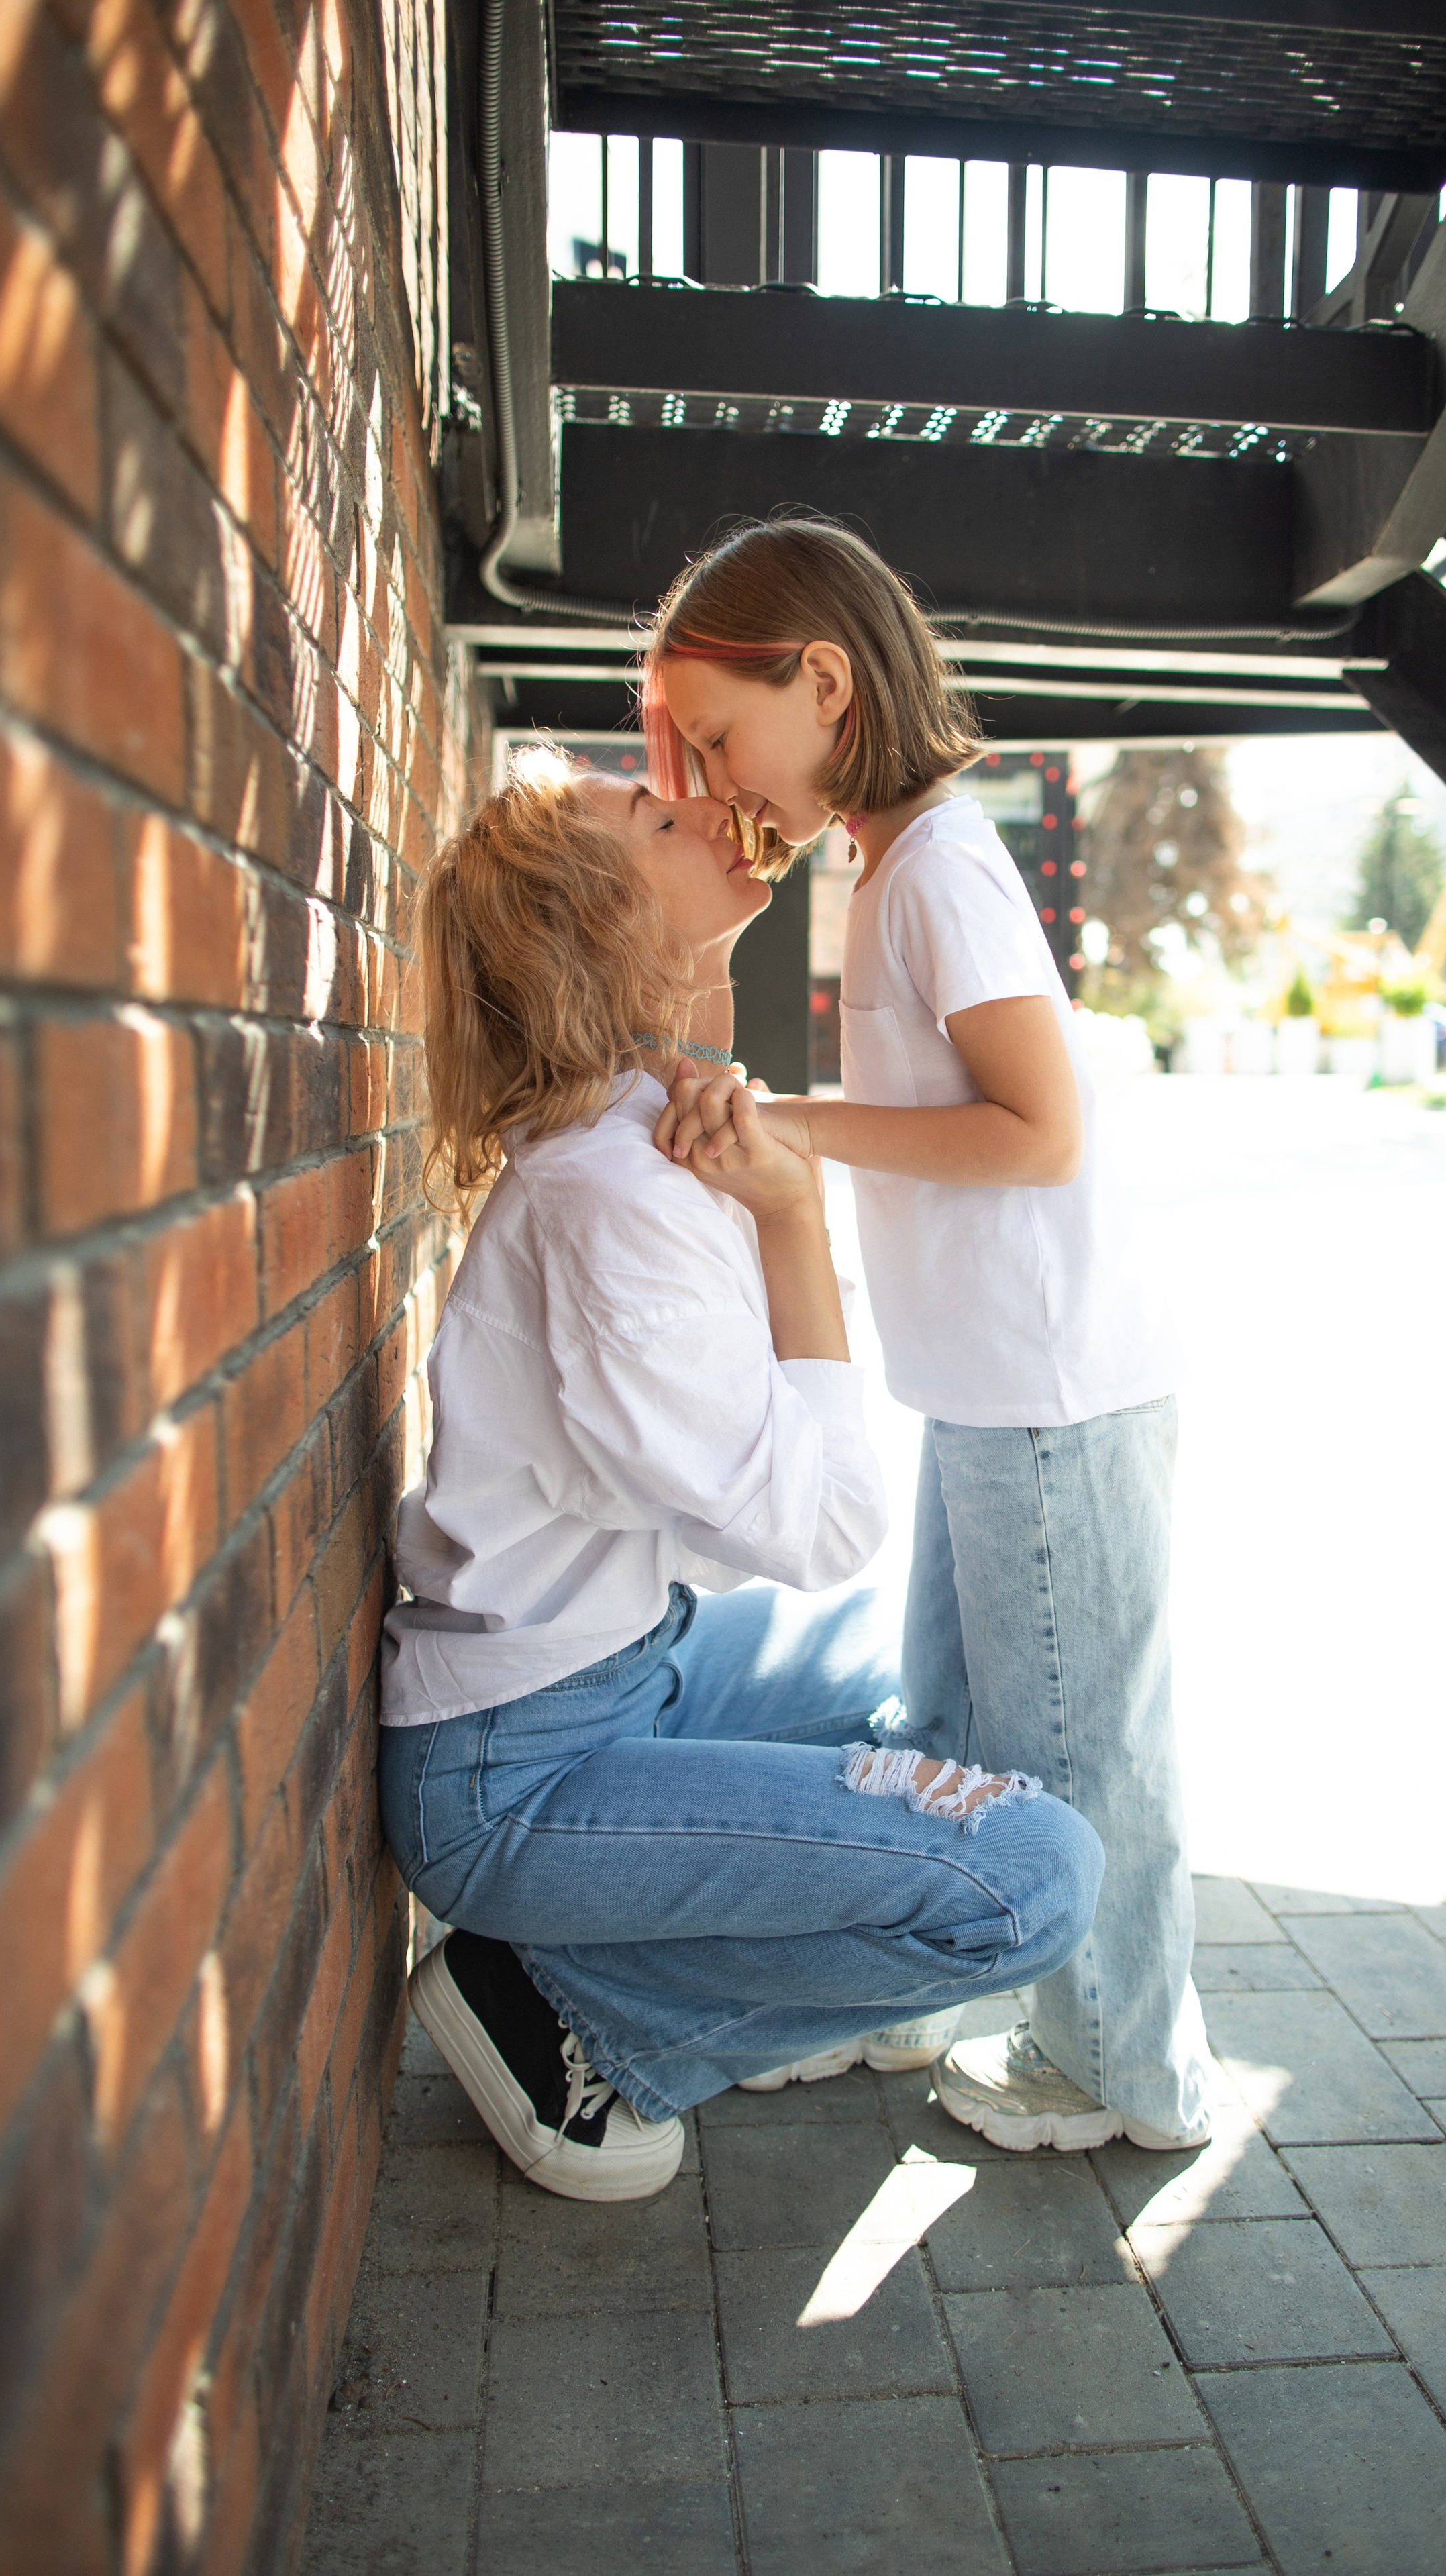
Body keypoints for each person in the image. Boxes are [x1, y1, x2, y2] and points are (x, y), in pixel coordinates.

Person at [378, 746, 1103, 2202]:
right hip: (519, 1775)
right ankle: (586, 2025)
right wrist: (790, 1216)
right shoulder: (616, 1207)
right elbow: (824, 1522)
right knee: (1033, 1876)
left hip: (622, 1667)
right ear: (601, 927)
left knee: (932, 1687)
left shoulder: (640, 1125)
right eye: (657, 812)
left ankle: (690, 1941)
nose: (706, 805)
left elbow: (727, 1530)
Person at [648, 516, 1212, 2154]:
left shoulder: (942, 865)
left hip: (1051, 1390)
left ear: (820, 680)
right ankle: (911, 1989)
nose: (711, 768)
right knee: (956, 1733)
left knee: (1069, 1752)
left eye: (721, 733)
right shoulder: (885, 861)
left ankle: (1125, 2073)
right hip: (989, 1387)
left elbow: (1040, 1129)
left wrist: (792, 1124)